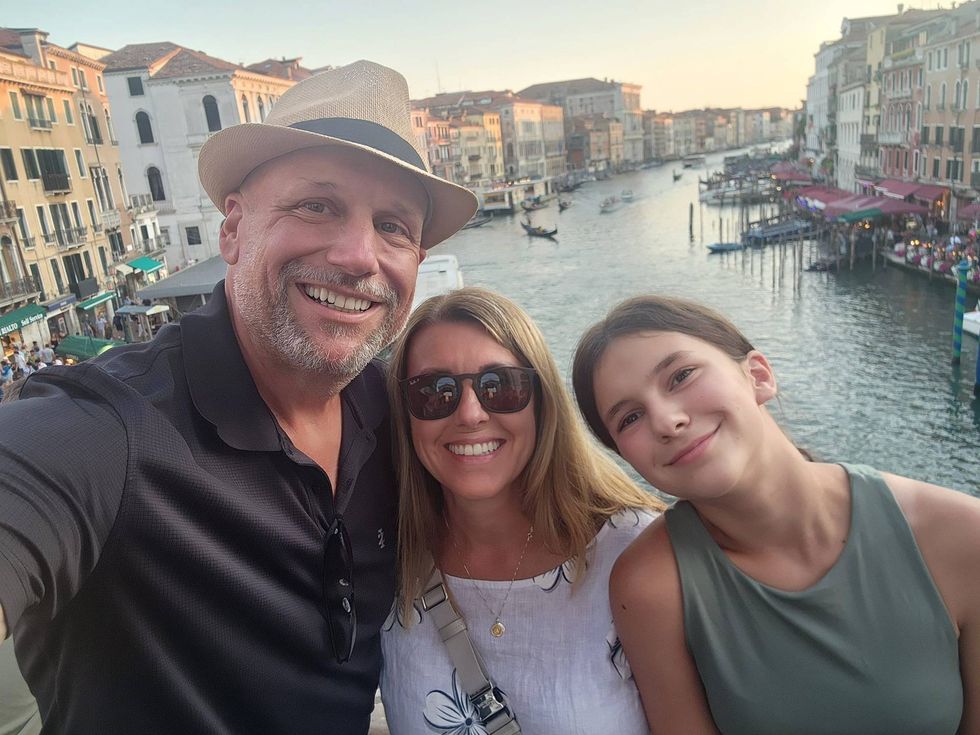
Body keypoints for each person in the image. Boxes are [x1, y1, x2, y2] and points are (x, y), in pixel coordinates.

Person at [0, 60, 477, 734]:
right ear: (232, 229)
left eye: (393, 225)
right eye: (317, 205)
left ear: (416, 262)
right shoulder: (111, 427)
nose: (358, 256)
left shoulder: (398, 410)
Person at [571, 295, 980, 735]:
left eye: (681, 375)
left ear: (759, 376)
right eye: (630, 417)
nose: (667, 421)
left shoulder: (959, 534)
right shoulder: (652, 587)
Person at [380, 287, 664, 734]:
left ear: (541, 401)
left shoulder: (636, 555)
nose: (470, 414)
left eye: (499, 386)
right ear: (405, 413)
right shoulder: (385, 559)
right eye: (435, 391)